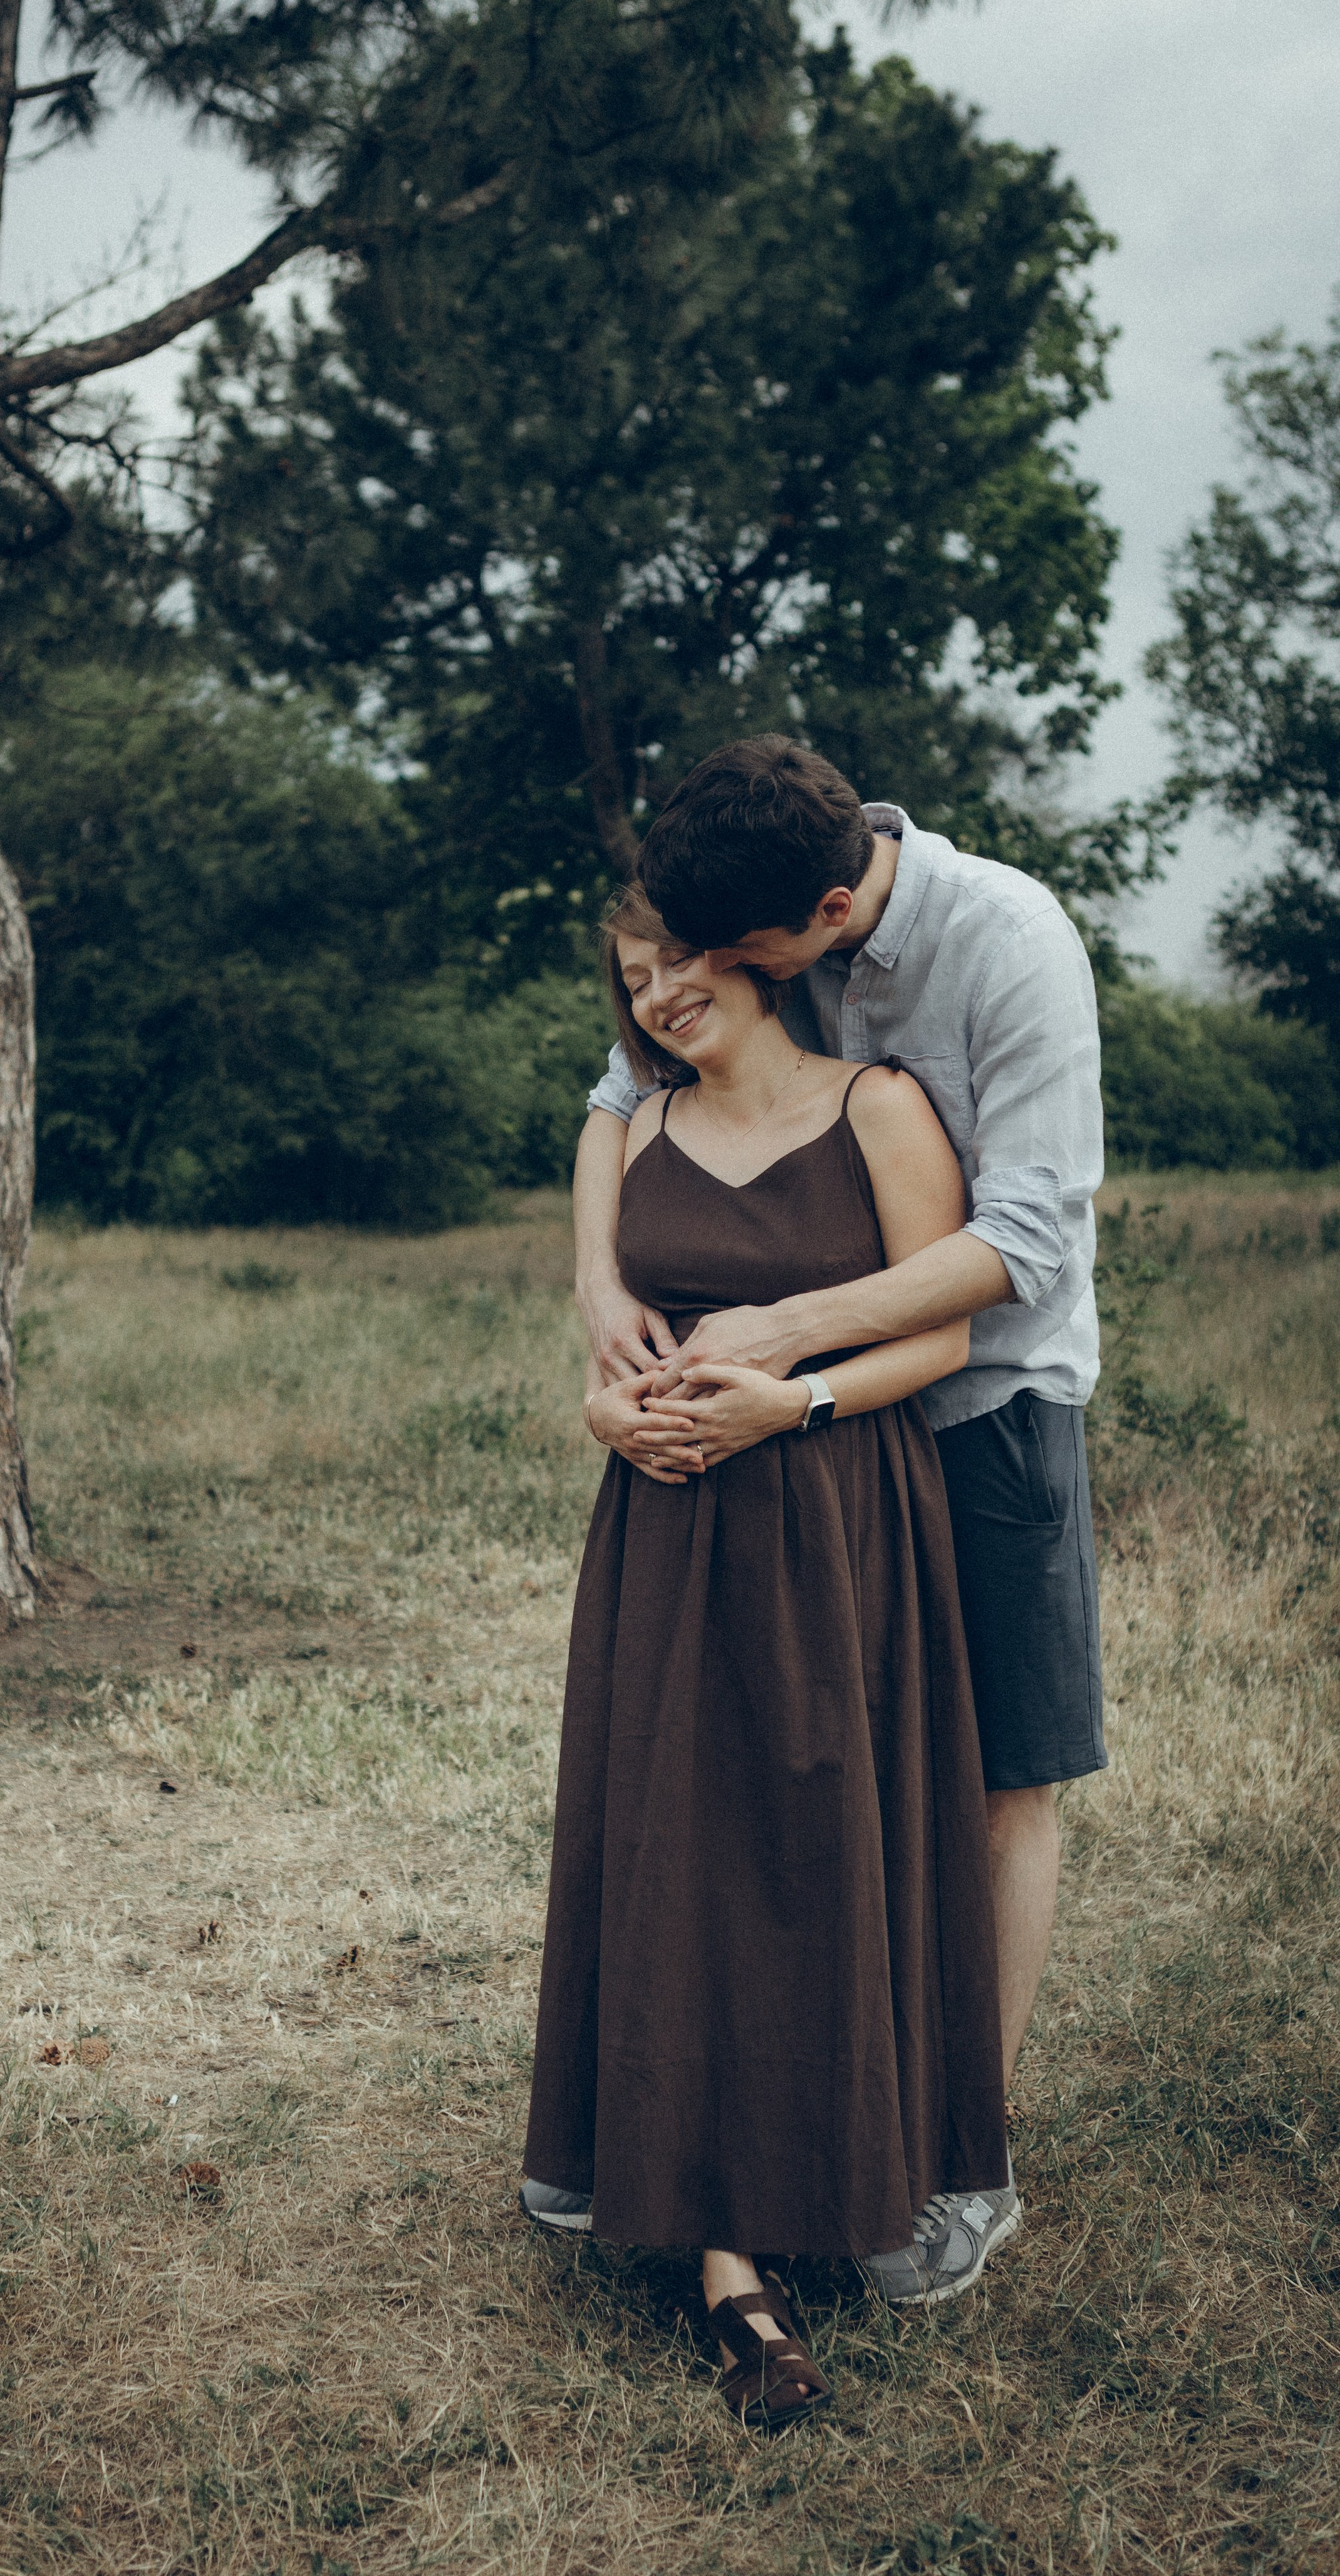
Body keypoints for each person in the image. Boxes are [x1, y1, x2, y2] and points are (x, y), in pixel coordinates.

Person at [561, 734, 1105, 2307]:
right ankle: (794, 2115)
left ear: (824, 913)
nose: (706, 976)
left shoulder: (1007, 942)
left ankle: (959, 2155)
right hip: (794, 1444)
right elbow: (623, 1088)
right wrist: (600, 1295)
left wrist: (786, 1342)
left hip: (985, 1409)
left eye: (734, 954)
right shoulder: (754, 906)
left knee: (998, 1771)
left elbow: (1026, 1239)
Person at [521, 886, 1007, 2428]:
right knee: (683, 1845)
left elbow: (945, 1334)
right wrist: (608, 1409)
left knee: (815, 1839)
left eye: (678, 957)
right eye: (632, 977)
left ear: (749, 950)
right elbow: (607, 1335)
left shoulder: (880, 1108)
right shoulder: (625, 1129)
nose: (659, 992)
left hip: (839, 1511)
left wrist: (790, 1400)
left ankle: (847, 2166)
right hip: (668, 1528)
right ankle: (726, 2259)